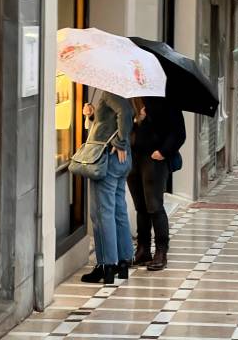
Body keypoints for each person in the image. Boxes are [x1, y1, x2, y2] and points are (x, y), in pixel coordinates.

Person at [80, 91, 134, 284]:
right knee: (118, 211)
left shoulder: (110, 91)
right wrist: (93, 114)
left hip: (108, 160)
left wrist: (119, 142)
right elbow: (115, 118)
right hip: (120, 161)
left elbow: (126, 113)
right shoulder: (121, 91)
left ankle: (106, 265)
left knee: (102, 213)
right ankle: (123, 262)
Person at [127, 97, 186, 271]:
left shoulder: (166, 99)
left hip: (154, 159)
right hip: (133, 157)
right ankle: (143, 250)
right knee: (140, 207)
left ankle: (161, 252)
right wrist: (138, 120)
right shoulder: (131, 97)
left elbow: (179, 133)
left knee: (154, 205)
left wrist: (163, 151)